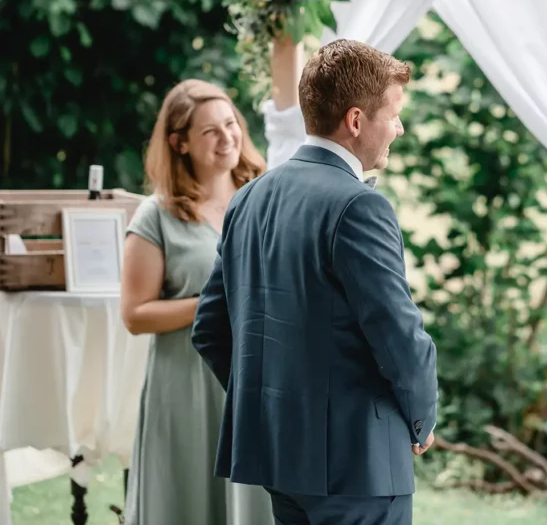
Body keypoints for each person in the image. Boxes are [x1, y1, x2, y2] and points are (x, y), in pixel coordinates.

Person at [191, 39, 439, 525]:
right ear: (355, 121)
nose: (399, 127)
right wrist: (420, 417)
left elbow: (209, 329)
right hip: (358, 464)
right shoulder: (360, 206)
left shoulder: (249, 198)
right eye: (393, 114)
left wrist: (270, 403)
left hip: (280, 457)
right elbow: (398, 335)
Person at [119, 79, 274, 525]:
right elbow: (134, 314)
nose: (227, 139)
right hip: (184, 386)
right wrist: (216, 301)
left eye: (231, 124)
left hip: (254, 379)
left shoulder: (264, 195)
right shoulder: (157, 215)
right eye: (210, 132)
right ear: (179, 142)